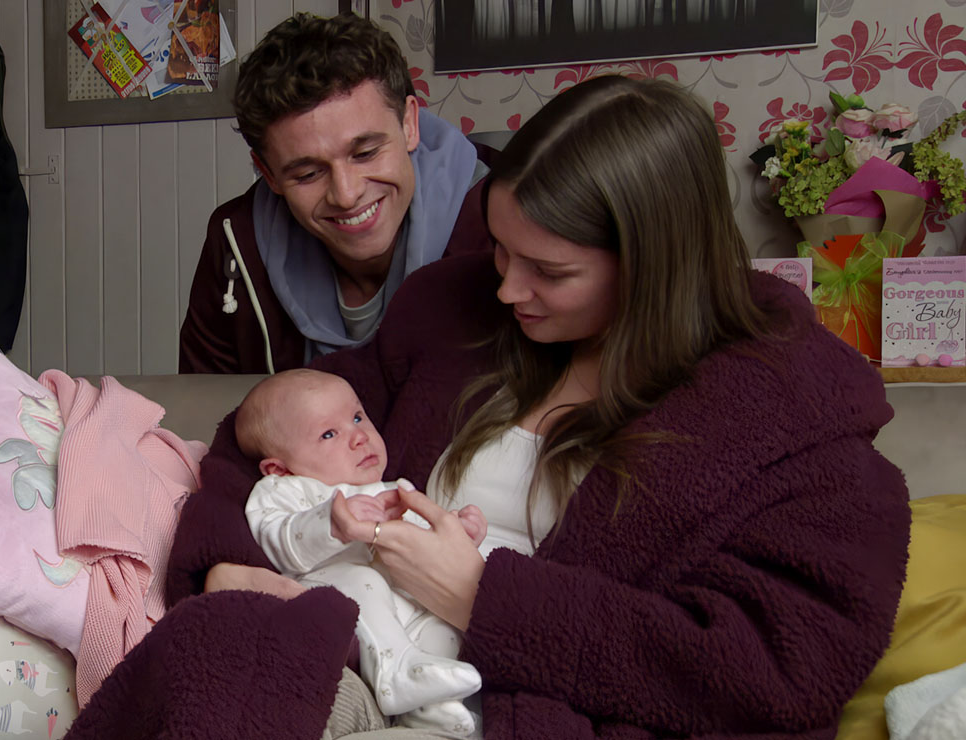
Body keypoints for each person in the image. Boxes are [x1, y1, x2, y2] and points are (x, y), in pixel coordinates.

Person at [75, 76, 910, 739]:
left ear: (653, 266)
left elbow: (780, 669)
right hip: (359, 655)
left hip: (524, 707)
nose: (508, 288)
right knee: (204, 655)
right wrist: (227, 566)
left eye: (549, 271)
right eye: (502, 251)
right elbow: (269, 429)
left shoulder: (794, 418)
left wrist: (482, 599)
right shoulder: (453, 312)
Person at [178, 11, 493, 374]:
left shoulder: (500, 218)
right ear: (268, 174)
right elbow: (205, 402)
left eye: (366, 153)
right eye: (308, 174)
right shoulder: (235, 242)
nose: (346, 194)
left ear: (409, 124)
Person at [237, 369, 488, 736]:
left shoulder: (396, 489)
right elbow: (277, 538)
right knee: (361, 578)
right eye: (329, 434)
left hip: (408, 615)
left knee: (444, 628)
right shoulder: (286, 490)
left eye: (357, 417)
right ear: (280, 468)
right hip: (341, 607)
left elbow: (430, 554)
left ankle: (430, 705)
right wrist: (330, 522)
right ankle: (395, 676)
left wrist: (457, 534)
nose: (359, 436)